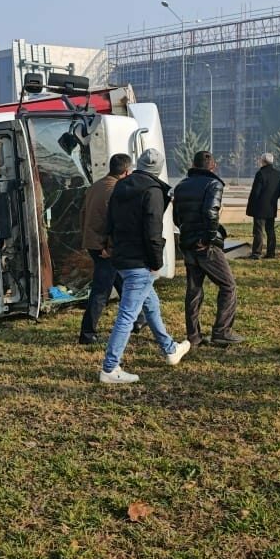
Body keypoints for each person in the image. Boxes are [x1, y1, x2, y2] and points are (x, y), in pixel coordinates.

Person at [99, 148, 190, 383]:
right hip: (141, 262)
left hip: (122, 257)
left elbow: (110, 219)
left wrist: (108, 244)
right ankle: (110, 368)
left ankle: (170, 349)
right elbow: (153, 230)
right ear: (158, 169)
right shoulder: (153, 191)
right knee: (127, 316)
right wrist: (156, 262)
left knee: (151, 305)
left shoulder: (121, 185)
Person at [172, 151, 242, 347]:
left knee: (194, 290)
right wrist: (208, 238)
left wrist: (188, 233)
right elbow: (211, 212)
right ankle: (222, 331)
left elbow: (176, 217)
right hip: (205, 245)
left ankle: (193, 336)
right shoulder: (213, 184)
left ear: (193, 164)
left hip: (187, 242)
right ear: (213, 166)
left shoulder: (181, 186)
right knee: (228, 286)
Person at [78, 153, 146, 344]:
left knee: (122, 281)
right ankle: (87, 333)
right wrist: (109, 247)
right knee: (101, 290)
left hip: (93, 242)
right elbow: (116, 222)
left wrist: (89, 239)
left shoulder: (95, 186)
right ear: (127, 172)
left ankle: (139, 319)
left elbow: (83, 214)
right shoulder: (117, 190)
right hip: (106, 247)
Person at [246, 153, 280, 259]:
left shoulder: (260, 174)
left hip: (260, 206)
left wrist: (251, 205)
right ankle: (271, 253)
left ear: (263, 161)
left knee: (258, 230)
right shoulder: (278, 174)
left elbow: (255, 192)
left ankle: (256, 253)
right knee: (270, 230)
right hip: (272, 206)